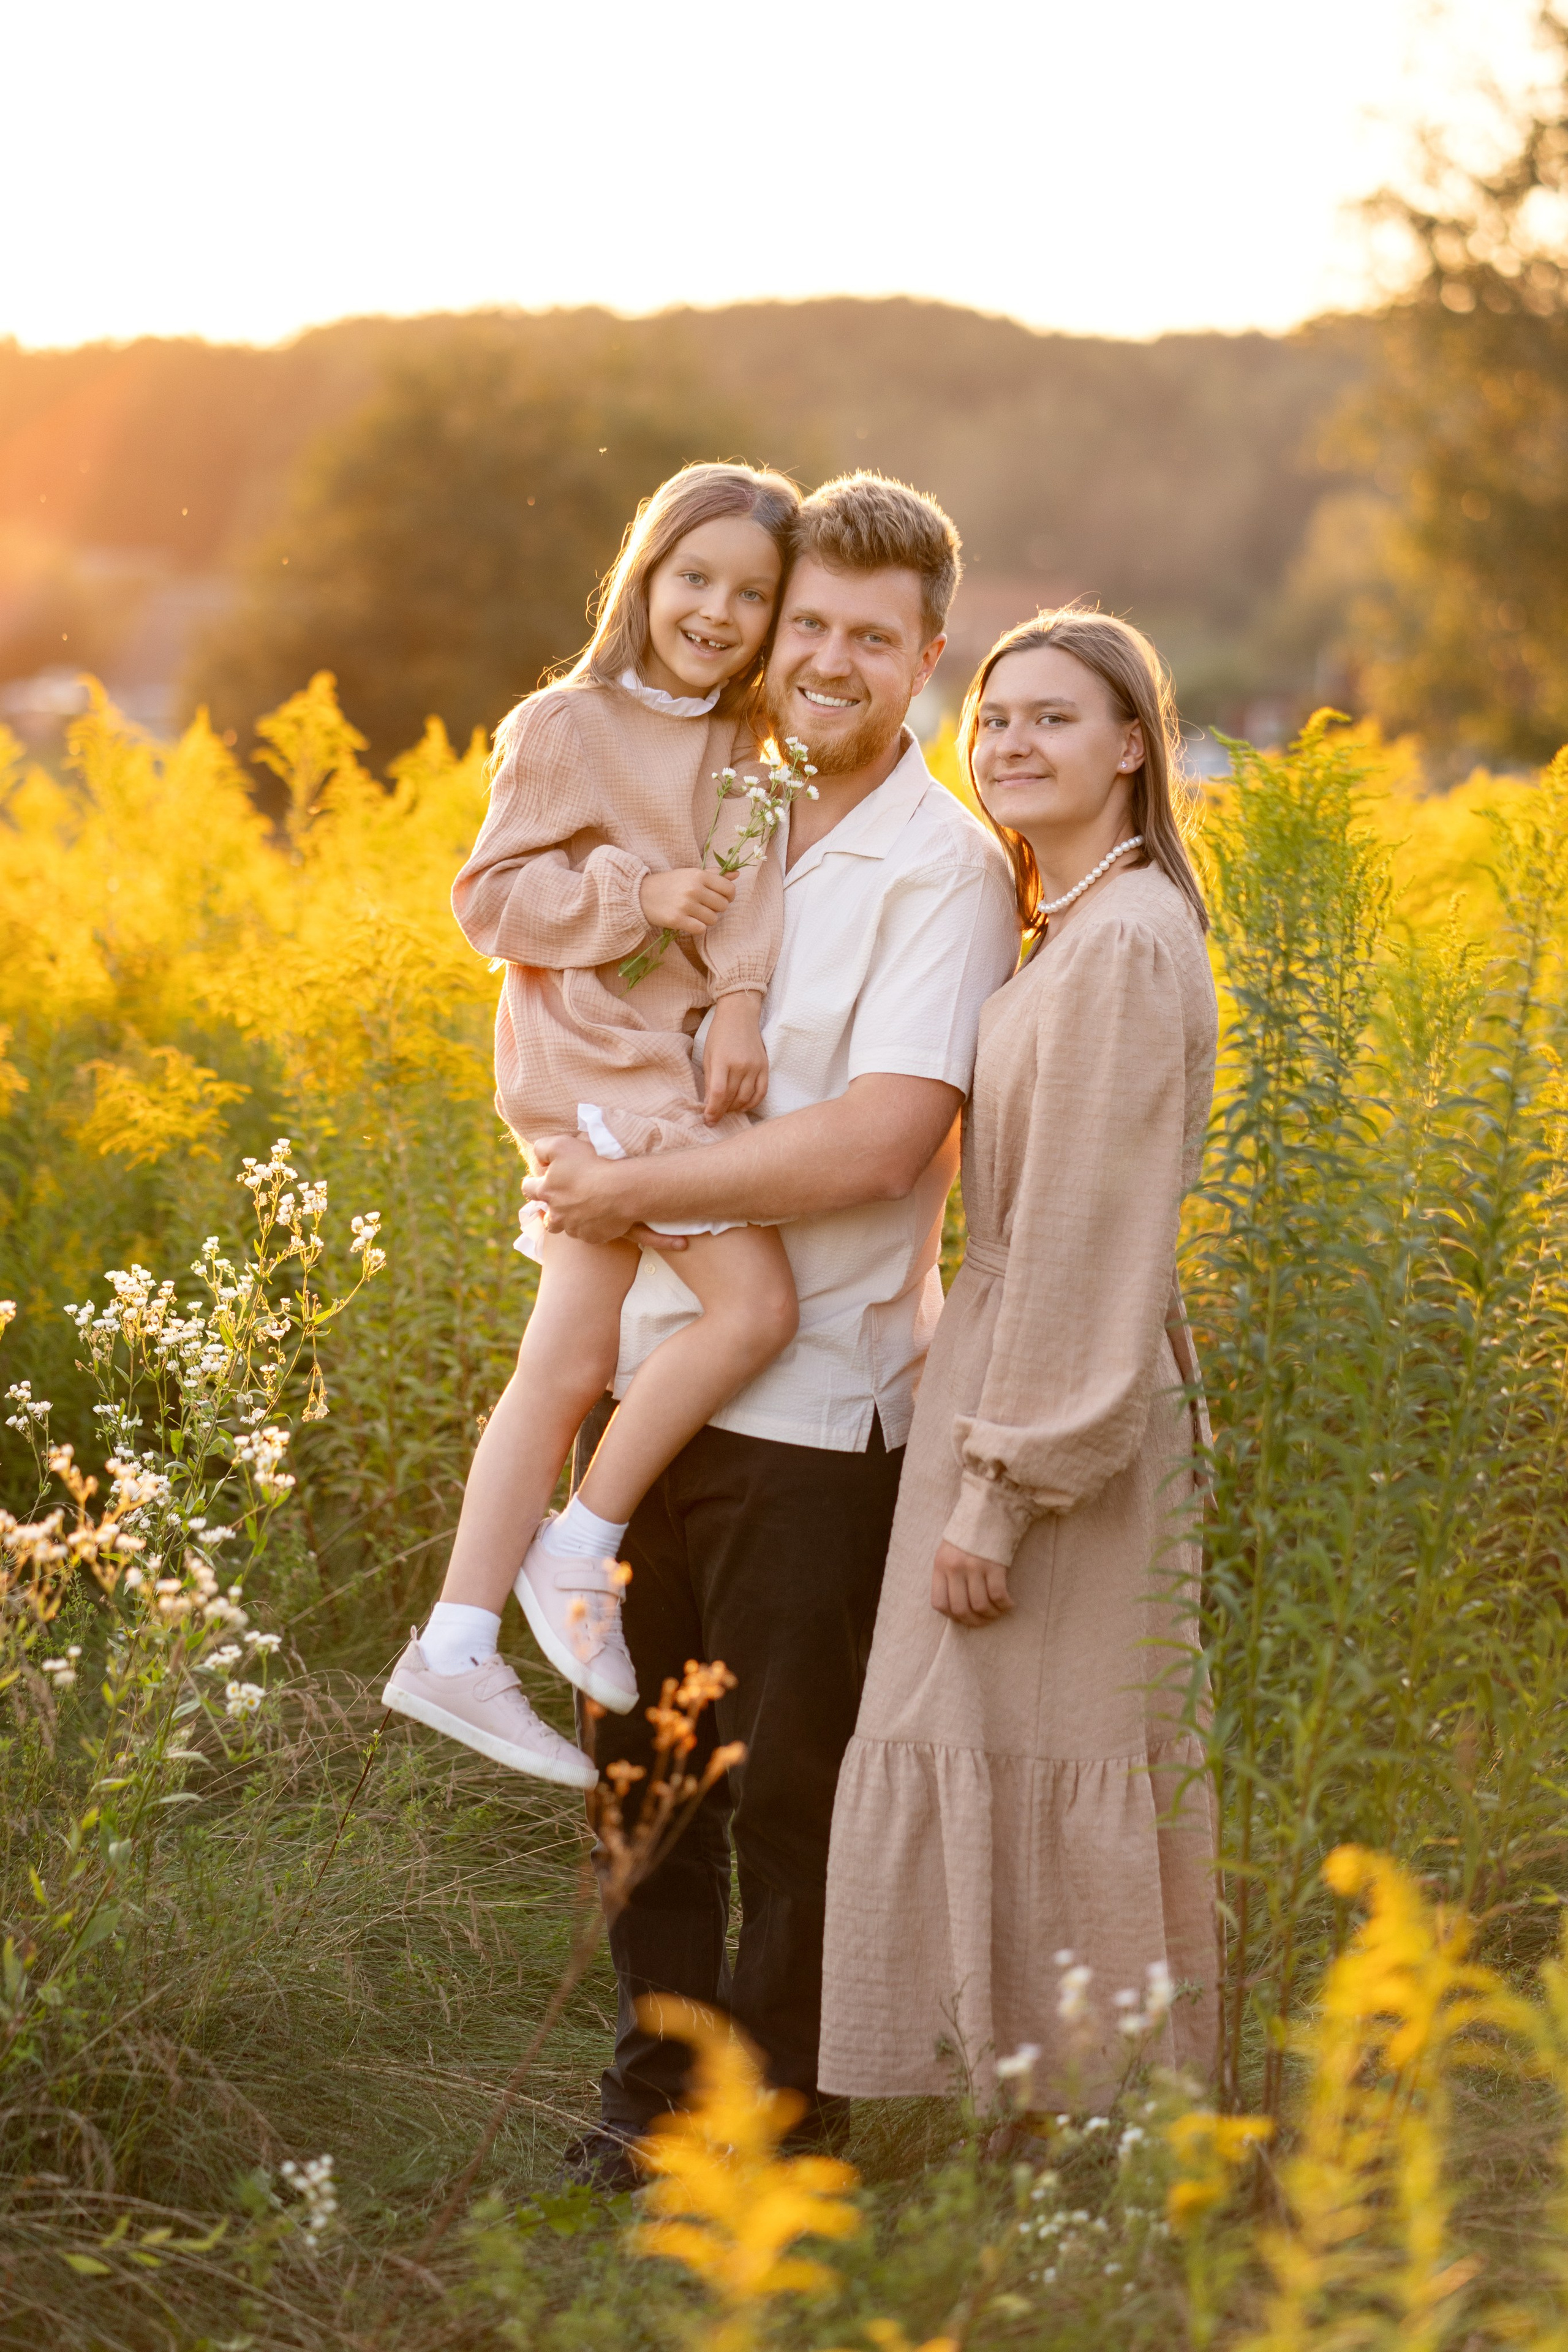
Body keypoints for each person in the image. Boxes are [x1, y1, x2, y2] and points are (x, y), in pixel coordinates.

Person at [522, 473, 1021, 2181]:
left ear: (927, 659)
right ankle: (653, 2106)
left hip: (813, 1405)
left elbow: (882, 1141)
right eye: (806, 623)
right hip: (648, 1365)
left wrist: (635, 1187)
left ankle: (786, 2133)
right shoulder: (721, 800)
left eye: (870, 638)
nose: (823, 659)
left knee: (790, 1791)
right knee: (639, 1778)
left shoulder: (943, 870)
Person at [819, 608, 1219, 2114]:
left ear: (1129, 748)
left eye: (1053, 718)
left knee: (1034, 1732)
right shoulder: (1079, 925)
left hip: (1056, 1412)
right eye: (993, 718)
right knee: (1003, 1730)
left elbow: (1087, 1237)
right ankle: (1032, 2118)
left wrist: (1001, 1489)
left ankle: (1082, 2121)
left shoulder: (1122, 944)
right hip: (1011, 1368)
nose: (1009, 744)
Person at [383, 462, 804, 1789]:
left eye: (752, 594)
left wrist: (738, 1006)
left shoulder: (744, 748)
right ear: (646, 575)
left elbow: (746, 900)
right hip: (598, 1071)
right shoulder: (566, 723)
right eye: (695, 578)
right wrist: (634, 894)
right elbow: (488, 901)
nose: (717, 611)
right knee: (755, 1309)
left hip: (664, 1068)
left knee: (565, 1361)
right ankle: (583, 1538)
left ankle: (456, 1643)